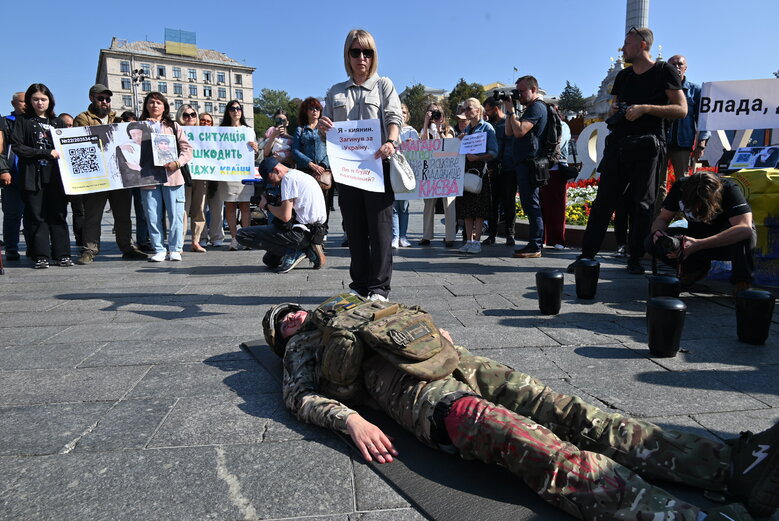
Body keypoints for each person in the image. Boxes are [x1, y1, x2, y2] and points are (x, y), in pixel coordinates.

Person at [267, 294, 779, 521]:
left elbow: (405, 318)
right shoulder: (302, 347)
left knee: (574, 412)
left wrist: (438, 331)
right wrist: (350, 418)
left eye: (290, 310)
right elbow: (301, 398)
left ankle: (731, 465)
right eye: (280, 322)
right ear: (281, 338)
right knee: (537, 447)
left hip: (462, 362)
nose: (290, 316)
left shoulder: (351, 302)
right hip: (424, 399)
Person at [570, 27, 686, 275]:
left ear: (643, 45)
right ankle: (586, 255)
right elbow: (614, 106)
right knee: (603, 202)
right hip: (619, 144)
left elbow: (681, 109)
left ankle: (635, 258)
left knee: (643, 204)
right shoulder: (623, 76)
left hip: (649, 145)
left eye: (627, 43)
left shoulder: (663, 70)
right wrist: (615, 111)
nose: (622, 48)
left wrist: (645, 108)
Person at [319, 29, 403, 301]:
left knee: (379, 231)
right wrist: (322, 127)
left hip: (378, 166)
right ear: (347, 55)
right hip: (348, 171)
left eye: (367, 52)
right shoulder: (334, 91)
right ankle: (360, 284)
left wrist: (391, 140)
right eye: (356, 52)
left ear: (374, 56)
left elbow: (394, 117)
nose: (362, 58)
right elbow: (327, 130)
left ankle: (379, 288)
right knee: (353, 230)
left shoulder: (384, 85)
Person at [74, 84, 147, 265]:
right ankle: (89, 249)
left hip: (119, 175)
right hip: (97, 176)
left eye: (107, 99)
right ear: (92, 98)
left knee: (123, 215)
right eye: (101, 98)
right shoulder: (83, 119)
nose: (105, 102)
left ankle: (127, 247)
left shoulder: (119, 120)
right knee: (93, 215)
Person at [649, 171, 756, 293]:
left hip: (723, 243)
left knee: (745, 234)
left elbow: (745, 228)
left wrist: (698, 244)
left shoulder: (729, 189)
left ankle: (742, 285)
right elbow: (662, 219)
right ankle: (694, 270)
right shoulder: (680, 187)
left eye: (701, 205)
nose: (697, 209)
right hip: (694, 240)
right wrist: (658, 233)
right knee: (653, 241)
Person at [10, 84, 70, 269]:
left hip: (56, 177)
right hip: (32, 176)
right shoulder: (23, 121)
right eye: (35, 99)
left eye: (43, 99)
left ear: (50, 100)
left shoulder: (57, 122)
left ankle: (62, 254)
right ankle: (41, 255)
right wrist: (44, 153)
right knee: (37, 217)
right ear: (29, 101)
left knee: (58, 215)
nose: (40, 102)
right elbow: (18, 147)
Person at [235, 157, 326, 273]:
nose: (272, 183)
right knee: (270, 261)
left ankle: (298, 251)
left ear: (276, 170)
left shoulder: (288, 179)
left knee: (242, 235)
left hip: (300, 234)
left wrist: (266, 205)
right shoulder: (300, 175)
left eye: (269, 179)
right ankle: (303, 249)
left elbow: (285, 216)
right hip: (315, 231)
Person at [137, 91, 192, 262]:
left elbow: (187, 149)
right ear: (146, 105)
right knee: (152, 215)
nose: (155, 105)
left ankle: (175, 248)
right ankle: (159, 249)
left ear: (164, 106)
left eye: (158, 102)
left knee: (175, 214)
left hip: (172, 175)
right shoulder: (138, 126)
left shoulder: (174, 126)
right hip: (149, 177)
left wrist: (178, 162)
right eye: (151, 102)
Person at [503, 75, 549, 259]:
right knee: (528, 203)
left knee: (532, 204)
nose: (519, 95)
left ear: (534, 90)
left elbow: (520, 131)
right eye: (518, 91)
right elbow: (509, 131)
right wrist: (509, 111)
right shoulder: (527, 108)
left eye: (522, 91)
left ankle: (536, 245)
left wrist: (512, 111)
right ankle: (534, 243)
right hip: (523, 163)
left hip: (531, 163)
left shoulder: (537, 107)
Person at [455, 98, 498, 254]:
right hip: (466, 169)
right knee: (467, 208)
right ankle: (468, 240)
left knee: (479, 210)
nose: (467, 111)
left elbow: (494, 152)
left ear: (478, 110)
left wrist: (478, 157)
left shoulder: (487, 128)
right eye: (465, 109)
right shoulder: (466, 130)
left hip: (480, 170)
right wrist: (459, 141)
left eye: (469, 108)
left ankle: (477, 241)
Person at [665, 55, 711, 195]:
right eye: (673, 64)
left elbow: (704, 119)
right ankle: (657, 216)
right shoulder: (660, 88)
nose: (676, 67)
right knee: (658, 183)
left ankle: (683, 215)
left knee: (683, 181)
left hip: (683, 143)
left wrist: (701, 144)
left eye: (680, 64)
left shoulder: (695, 90)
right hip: (661, 143)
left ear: (686, 68)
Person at [218, 100, 259, 251]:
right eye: (232, 108)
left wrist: (256, 149)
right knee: (230, 204)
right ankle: (235, 238)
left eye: (238, 108)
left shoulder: (248, 130)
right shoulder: (221, 130)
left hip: (244, 172)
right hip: (228, 173)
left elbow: (255, 154)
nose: (236, 111)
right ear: (228, 112)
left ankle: (246, 238)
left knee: (245, 205)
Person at [418, 102, 456, 248]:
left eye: (437, 112)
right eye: (431, 112)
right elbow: (424, 144)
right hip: (430, 170)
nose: (434, 115)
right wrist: (427, 123)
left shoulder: (449, 129)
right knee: (428, 204)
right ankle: (426, 235)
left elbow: (447, 144)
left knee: (449, 203)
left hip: (447, 170)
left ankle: (450, 237)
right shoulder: (424, 129)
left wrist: (439, 129)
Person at [292, 97, 331, 228]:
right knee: (307, 202)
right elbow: (295, 151)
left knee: (324, 201)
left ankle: (323, 229)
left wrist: (323, 165)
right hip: (306, 171)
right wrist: (310, 163)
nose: (314, 111)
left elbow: (331, 149)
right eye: (311, 108)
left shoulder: (326, 129)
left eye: (317, 108)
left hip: (323, 171)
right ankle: (307, 228)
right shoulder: (300, 130)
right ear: (306, 111)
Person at [482, 97, 516, 247]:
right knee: (492, 203)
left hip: (508, 168)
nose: (487, 113)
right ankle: (492, 235)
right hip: (492, 168)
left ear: (496, 109)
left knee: (509, 202)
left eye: (488, 110)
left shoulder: (507, 122)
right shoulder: (488, 126)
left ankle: (510, 234)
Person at [175, 104, 207, 253]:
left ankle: (196, 240)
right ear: (180, 117)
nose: (190, 118)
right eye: (186, 115)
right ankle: (179, 243)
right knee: (182, 210)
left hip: (201, 176)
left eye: (193, 115)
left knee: (199, 210)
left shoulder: (205, 133)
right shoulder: (175, 131)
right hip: (182, 175)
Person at [2, 92, 28, 261]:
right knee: (12, 214)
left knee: (34, 214)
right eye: (22, 101)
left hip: (33, 175)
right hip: (13, 174)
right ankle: (11, 247)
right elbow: (1, 150)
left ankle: (34, 247)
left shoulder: (35, 121)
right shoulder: (5, 122)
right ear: (13, 103)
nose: (26, 104)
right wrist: (3, 169)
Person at [540, 116, 572, 249]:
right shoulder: (544, 125)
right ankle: (544, 238)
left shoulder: (562, 125)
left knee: (557, 206)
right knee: (542, 205)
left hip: (557, 168)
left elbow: (559, 143)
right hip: (542, 168)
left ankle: (558, 240)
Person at [392, 103, 419, 249]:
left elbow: (420, 152)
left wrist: (413, 144)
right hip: (394, 170)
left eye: (404, 112)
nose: (401, 114)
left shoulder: (412, 131)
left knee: (404, 206)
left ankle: (403, 236)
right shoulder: (391, 130)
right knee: (394, 207)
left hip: (407, 173)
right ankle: (395, 236)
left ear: (407, 115)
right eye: (399, 111)